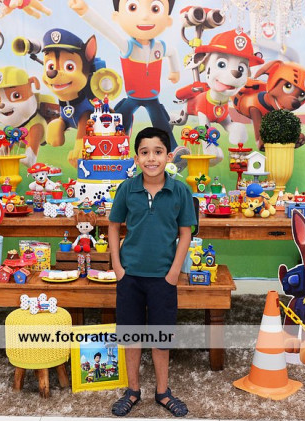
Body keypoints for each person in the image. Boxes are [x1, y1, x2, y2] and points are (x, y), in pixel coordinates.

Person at [108, 127, 195, 417]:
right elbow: (113, 226)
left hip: (163, 278)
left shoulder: (180, 191)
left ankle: (163, 392)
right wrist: (118, 267)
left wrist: (173, 273)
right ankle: (133, 391)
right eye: (144, 153)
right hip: (130, 277)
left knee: (160, 337)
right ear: (136, 158)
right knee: (131, 336)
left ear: (168, 156)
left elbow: (185, 233)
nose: (151, 158)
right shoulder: (127, 188)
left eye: (158, 152)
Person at [69, 0, 180, 150]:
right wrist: (86, 12)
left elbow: (172, 52)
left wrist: (174, 71)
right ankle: (114, 147)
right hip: (132, 96)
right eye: (133, 7)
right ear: (117, 16)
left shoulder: (160, 47)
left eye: (155, 9)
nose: (145, 16)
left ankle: (173, 150)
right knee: (118, 121)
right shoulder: (128, 46)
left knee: (162, 125)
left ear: (168, 20)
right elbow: (107, 31)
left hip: (152, 97)